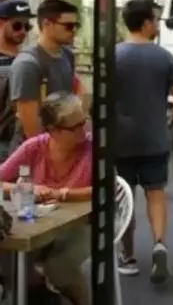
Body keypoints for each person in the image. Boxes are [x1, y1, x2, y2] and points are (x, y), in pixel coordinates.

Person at [114, 0, 173, 283]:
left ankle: (127, 256)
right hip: (155, 138)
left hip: (120, 141)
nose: (158, 25)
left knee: (125, 198)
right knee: (156, 193)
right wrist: (171, 123)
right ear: (146, 23)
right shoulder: (164, 57)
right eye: (156, 20)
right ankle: (159, 244)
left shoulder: (113, 55)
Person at [0, 93, 92, 305]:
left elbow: (107, 187)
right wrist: (26, 188)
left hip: (84, 224)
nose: (84, 130)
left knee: (59, 267)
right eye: (76, 127)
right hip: (43, 224)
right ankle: (42, 295)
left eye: (84, 122)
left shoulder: (92, 147)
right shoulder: (34, 147)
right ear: (53, 130)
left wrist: (62, 193)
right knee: (8, 258)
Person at [9, 0, 81, 150]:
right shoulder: (28, 64)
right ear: (47, 24)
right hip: (35, 151)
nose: (74, 30)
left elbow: (75, 96)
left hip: (61, 145)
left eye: (77, 25)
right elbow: (31, 127)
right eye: (69, 26)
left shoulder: (67, 55)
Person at [0, 0, 34, 160]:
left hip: (23, 143)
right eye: (17, 26)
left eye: (27, 27)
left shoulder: (29, 60)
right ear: (2, 23)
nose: (23, 32)